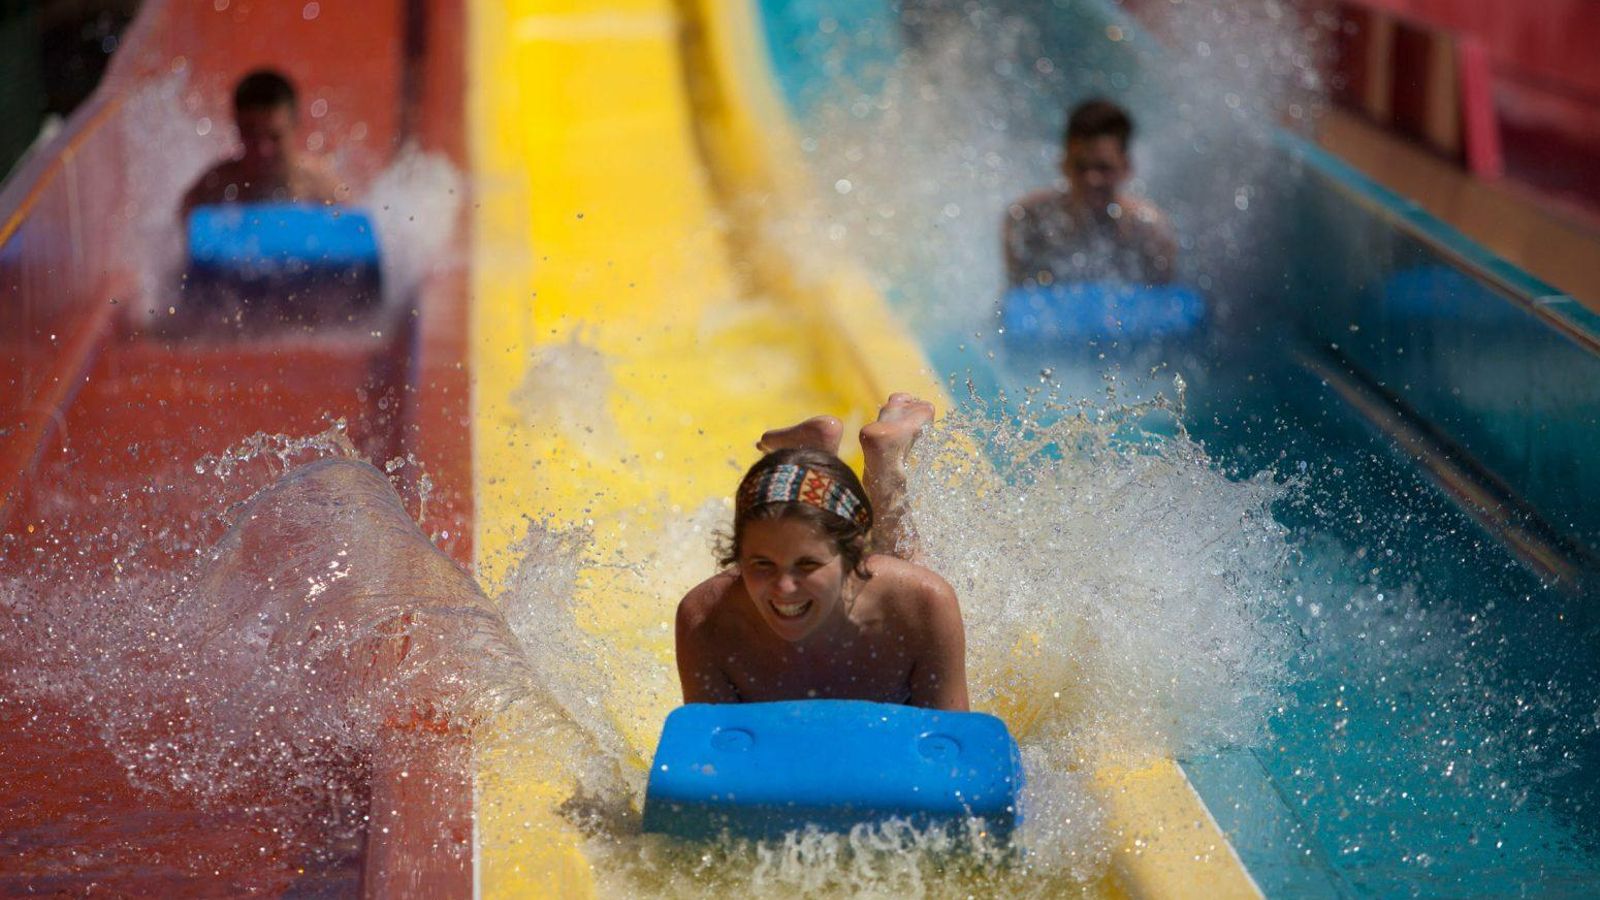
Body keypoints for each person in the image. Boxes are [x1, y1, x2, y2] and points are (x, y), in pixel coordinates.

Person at [674, 394, 969, 711]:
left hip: (886, 585)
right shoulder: (706, 621)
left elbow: (949, 745)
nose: (784, 587)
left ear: (854, 554)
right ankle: (812, 457)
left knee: (904, 560)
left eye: (807, 564)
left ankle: (886, 464)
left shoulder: (923, 602)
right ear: (738, 556)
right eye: (762, 564)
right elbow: (712, 753)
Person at [1003, 98, 1178, 288]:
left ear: (1126, 167)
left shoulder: (1149, 231)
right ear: (1064, 164)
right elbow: (1016, 300)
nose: (1091, 179)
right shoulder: (1028, 220)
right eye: (1080, 167)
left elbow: (1161, 303)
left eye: (1103, 168)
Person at [180, 68, 345, 218]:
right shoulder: (213, 188)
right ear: (236, 127)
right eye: (251, 136)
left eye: (275, 137)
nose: (263, 150)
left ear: (295, 125)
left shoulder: (323, 189)